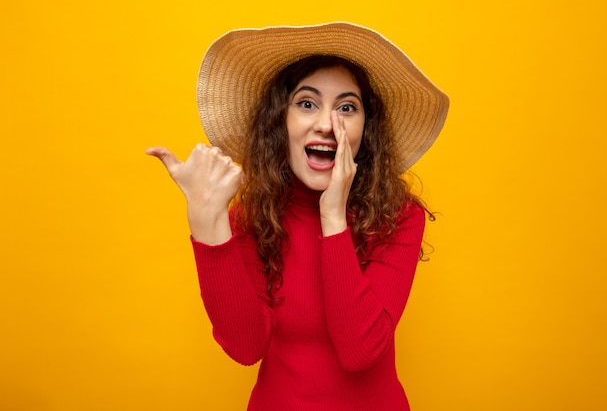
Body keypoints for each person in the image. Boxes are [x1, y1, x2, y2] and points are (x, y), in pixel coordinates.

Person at [146, 22, 448, 411]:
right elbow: (245, 346)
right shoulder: (253, 217)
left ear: (366, 130)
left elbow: (360, 351)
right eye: (307, 103)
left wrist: (333, 216)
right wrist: (207, 222)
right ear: (280, 123)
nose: (326, 123)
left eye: (346, 107)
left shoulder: (400, 217)